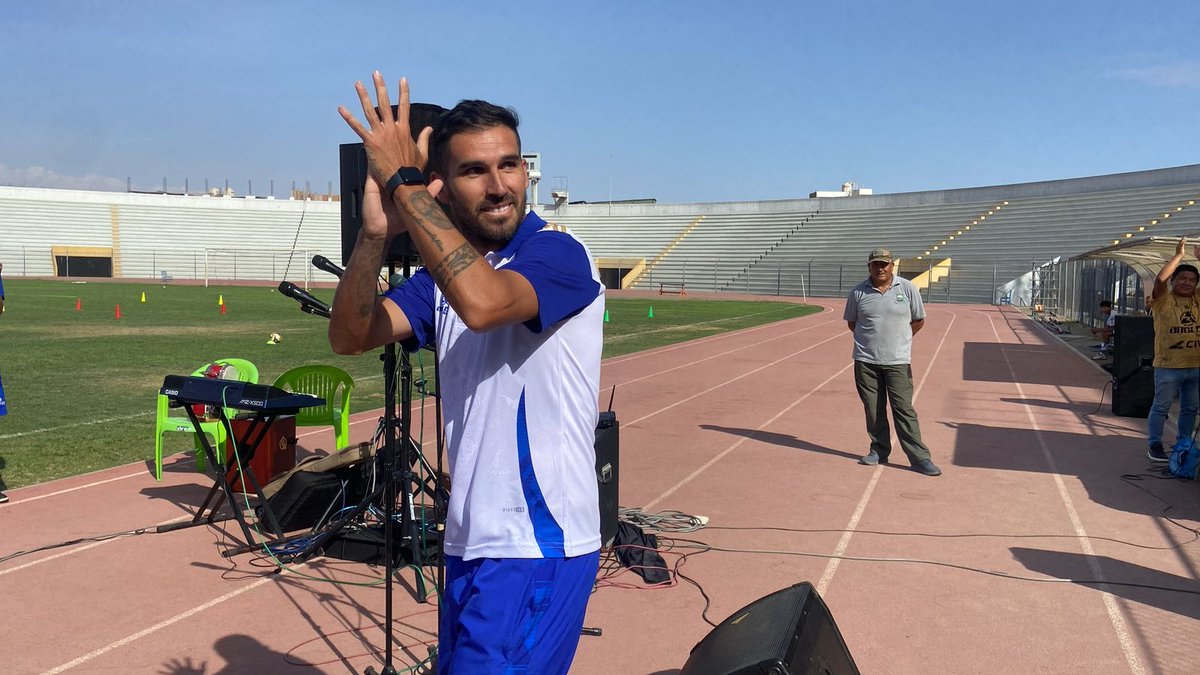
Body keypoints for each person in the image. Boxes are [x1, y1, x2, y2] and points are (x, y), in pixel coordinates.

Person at [330, 73, 604, 673]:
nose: (500, 185)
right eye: (474, 171)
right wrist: (375, 235)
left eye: (510, 165)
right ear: (445, 190)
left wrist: (404, 184)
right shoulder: (440, 282)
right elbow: (351, 335)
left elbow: (483, 306)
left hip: (537, 542)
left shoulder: (559, 254)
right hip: (470, 542)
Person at [844, 248, 941, 476]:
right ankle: (879, 450)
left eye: (884, 264)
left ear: (892, 266)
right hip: (866, 361)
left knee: (904, 409)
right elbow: (853, 324)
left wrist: (899, 340)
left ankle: (919, 458)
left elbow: (918, 320)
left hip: (897, 361)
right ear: (869, 266)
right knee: (873, 409)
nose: (880, 268)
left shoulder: (907, 289)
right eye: (876, 264)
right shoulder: (858, 292)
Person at [1146, 237, 1200, 463]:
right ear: (1174, 281)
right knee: (1161, 406)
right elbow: (1159, 280)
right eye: (1182, 279)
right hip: (1168, 366)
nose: (1187, 283)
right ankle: (1154, 444)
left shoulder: (1198, 298)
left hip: (1195, 366)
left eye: (1192, 280)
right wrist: (1179, 256)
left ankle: (1183, 443)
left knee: (1190, 409)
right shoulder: (1162, 301)